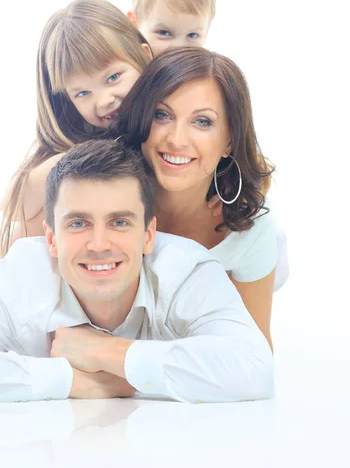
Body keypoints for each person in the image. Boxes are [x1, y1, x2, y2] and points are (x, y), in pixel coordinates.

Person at [0, 140, 274, 404]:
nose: (99, 243)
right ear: (51, 238)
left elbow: (256, 369)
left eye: (120, 222)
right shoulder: (21, 272)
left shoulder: (186, 270)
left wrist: (107, 352)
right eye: (78, 223)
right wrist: (80, 381)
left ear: (149, 235)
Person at [112, 47, 280, 350]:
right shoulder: (102, 197)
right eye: (161, 115)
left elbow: (253, 358)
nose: (176, 139)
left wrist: (112, 356)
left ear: (229, 140)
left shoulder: (250, 231)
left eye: (202, 122)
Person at [0, 0, 152, 257]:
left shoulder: (170, 117)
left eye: (113, 77)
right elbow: (13, 207)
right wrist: (77, 160)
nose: (104, 101)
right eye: (82, 93)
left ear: (144, 56)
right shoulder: (84, 139)